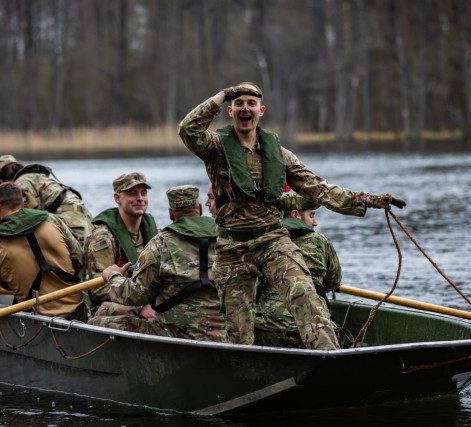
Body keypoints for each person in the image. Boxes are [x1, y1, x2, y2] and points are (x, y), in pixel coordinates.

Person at [178, 82, 406, 350]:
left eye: (251, 103)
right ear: (230, 110)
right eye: (238, 103)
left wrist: (367, 200)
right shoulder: (216, 147)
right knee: (238, 331)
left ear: (261, 111)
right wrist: (223, 94)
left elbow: (319, 188)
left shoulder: (279, 154)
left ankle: (329, 358)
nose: (245, 108)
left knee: (306, 298)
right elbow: (188, 130)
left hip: (272, 241)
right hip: (231, 248)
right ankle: (248, 374)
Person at [92, 185, 225, 341]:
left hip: (175, 332)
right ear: (200, 209)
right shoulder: (226, 237)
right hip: (225, 330)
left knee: (97, 321)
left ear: (170, 213)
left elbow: (133, 295)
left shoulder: (160, 243)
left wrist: (112, 276)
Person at [0, 182, 87, 321]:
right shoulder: (52, 219)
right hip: (78, 311)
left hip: (39, 321)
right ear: (22, 203)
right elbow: (79, 258)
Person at [255, 193, 342, 348]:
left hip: (267, 329)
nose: (315, 223)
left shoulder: (265, 240)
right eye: (312, 215)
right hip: (311, 331)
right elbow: (333, 282)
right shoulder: (321, 242)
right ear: (295, 214)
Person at [85, 172, 159, 319]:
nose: (140, 198)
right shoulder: (103, 237)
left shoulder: (155, 232)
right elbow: (99, 289)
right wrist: (140, 304)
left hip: (147, 299)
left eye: (144, 193)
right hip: (111, 305)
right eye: (132, 193)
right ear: (117, 198)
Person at [0, 155, 94, 246]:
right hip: (86, 222)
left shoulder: (21, 184)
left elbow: (20, 221)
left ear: (0, 182)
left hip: (72, 226)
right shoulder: (35, 176)